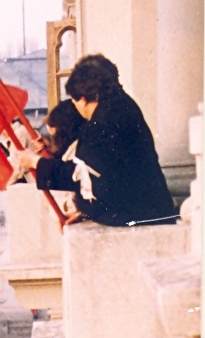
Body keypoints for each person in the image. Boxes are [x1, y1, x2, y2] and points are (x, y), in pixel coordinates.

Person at [17, 53, 177, 227]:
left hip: (136, 216)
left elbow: (79, 175)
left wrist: (36, 162)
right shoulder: (121, 106)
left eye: (74, 100)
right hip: (148, 209)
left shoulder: (100, 125)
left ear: (84, 99)